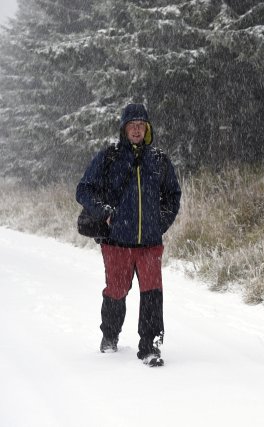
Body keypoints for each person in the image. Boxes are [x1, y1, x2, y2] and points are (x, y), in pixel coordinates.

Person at [76, 103, 181, 367]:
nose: (136, 129)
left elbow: (173, 195)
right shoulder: (109, 157)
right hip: (116, 242)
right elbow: (83, 190)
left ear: (147, 129)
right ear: (124, 129)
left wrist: (160, 222)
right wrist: (104, 212)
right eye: (132, 125)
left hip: (150, 244)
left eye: (141, 125)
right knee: (117, 291)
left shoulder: (158, 159)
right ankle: (110, 336)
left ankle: (151, 346)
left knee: (152, 293)